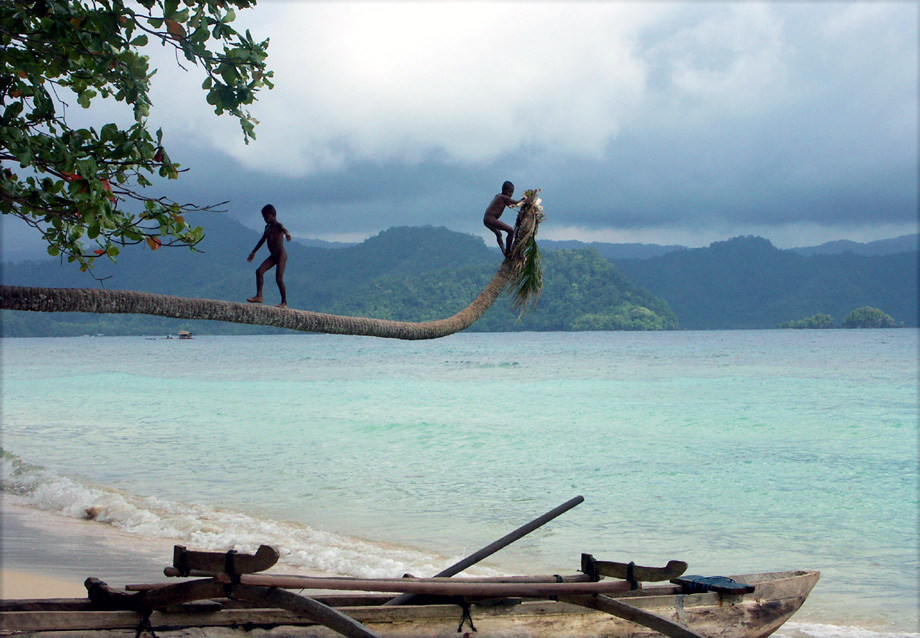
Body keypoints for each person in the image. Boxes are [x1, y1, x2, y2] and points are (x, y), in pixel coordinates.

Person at [247, 204, 292, 308]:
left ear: (273, 215)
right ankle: (259, 296)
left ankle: (284, 302)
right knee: (259, 271)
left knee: (279, 279)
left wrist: (288, 235)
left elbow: (285, 230)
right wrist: (253, 252)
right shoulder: (267, 228)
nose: (265, 219)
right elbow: (262, 240)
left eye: (266, 217)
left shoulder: (278, 225)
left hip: (281, 255)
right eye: (263, 217)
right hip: (273, 256)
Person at [483, 181, 527, 257]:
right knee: (510, 231)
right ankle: (508, 252)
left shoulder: (499, 196)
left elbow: (512, 205)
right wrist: (527, 199)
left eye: (512, 192)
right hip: (490, 218)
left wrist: (523, 199)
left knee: (498, 234)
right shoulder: (503, 197)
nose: (510, 194)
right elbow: (517, 203)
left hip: (486, 219)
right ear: (503, 189)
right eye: (509, 192)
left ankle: (503, 250)